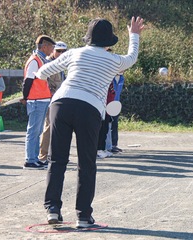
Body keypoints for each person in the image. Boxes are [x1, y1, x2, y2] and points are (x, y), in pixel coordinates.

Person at [35, 16, 144, 228]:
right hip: (90, 107)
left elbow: (41, 73)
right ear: (108, 41)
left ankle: (53, 210)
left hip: (61, 104)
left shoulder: (75, 52)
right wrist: (134, 35)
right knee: (86, 163)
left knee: (57, 160)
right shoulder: (114, 60)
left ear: (89, 37)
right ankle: (83, 216)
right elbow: (132, 58)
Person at [22, 35, 55, 169]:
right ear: (44, 46)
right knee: (33, 131)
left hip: (41, 99)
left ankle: (35, 158)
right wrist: (26, 97)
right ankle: (30, 159)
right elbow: (28, 81)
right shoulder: (35, 60)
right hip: (36, 100)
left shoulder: (41, 59)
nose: (52, 50)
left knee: (37, 131)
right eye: (51, 47)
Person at [39, 41, 68, 162]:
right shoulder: (48, 63)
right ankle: (43, 155)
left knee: (58, 127)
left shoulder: (61, 65)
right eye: (58, 51)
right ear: (53, 50)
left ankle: (54, 155)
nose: (61, 53)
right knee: (49, 126)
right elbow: (43, 81)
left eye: (63, 51)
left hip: (60, 98)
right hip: (50, 99)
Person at [97, 82, 115, 159]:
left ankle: (103, 148)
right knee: (100, 130)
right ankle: (98, 150)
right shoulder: (102, 81)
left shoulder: (110, 81)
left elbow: (112, 93)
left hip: (108, 107)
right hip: (102, 107)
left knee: (105, 130)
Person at [110, 72, 125, 153]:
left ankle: (114, 145)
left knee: (114, 124)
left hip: (116, 103)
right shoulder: (109, 77)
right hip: (108, 103)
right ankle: (106, 145)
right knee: (106, 125)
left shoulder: (122, 78)